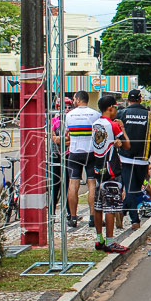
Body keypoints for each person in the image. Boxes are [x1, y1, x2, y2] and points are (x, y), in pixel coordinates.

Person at [90, 95, 130, 253]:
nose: (117, 111)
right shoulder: (113, 125)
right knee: (111, 208)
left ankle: (99, 240)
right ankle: (110, 241)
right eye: (116, 108)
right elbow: (127, 145)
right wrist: (123, 130)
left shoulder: (96, 124)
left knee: (98, 206)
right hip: (112, 169)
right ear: (110, 108)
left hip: (98, 168)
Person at [118, 89, 151, 230]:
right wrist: (147, 155)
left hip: (125, 157)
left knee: (129, 190)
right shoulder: (150, 115)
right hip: (142, 159)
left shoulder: (122, 114)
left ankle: (134, 219)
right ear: (141, 100)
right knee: (135, 189)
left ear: (128, 100)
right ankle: (123, 211)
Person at [64, 91, 100, 228]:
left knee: (73, 184)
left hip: (74, 152)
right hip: (91, 152)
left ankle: (73, 218)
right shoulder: (95, 114)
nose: (73, 101)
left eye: (74, 99)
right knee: (92, 184)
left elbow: (67, 134)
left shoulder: (69, 115)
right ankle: (92, 217)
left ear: (78, 100)